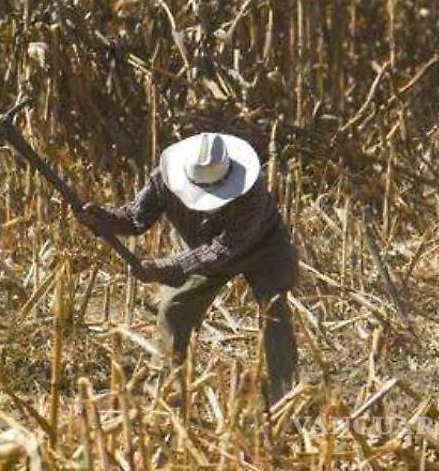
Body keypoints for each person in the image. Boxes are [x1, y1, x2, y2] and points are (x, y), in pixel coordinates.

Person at [76, 132, 298, 404]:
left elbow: (222, 250)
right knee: (174, 310)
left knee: (274, 310)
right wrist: (103, 219)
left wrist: (163, 269)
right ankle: (170, 391)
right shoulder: (163, 180)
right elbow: (135, 218)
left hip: (263, 248)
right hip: (205, 250)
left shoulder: (252, 190)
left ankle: (284, 393)